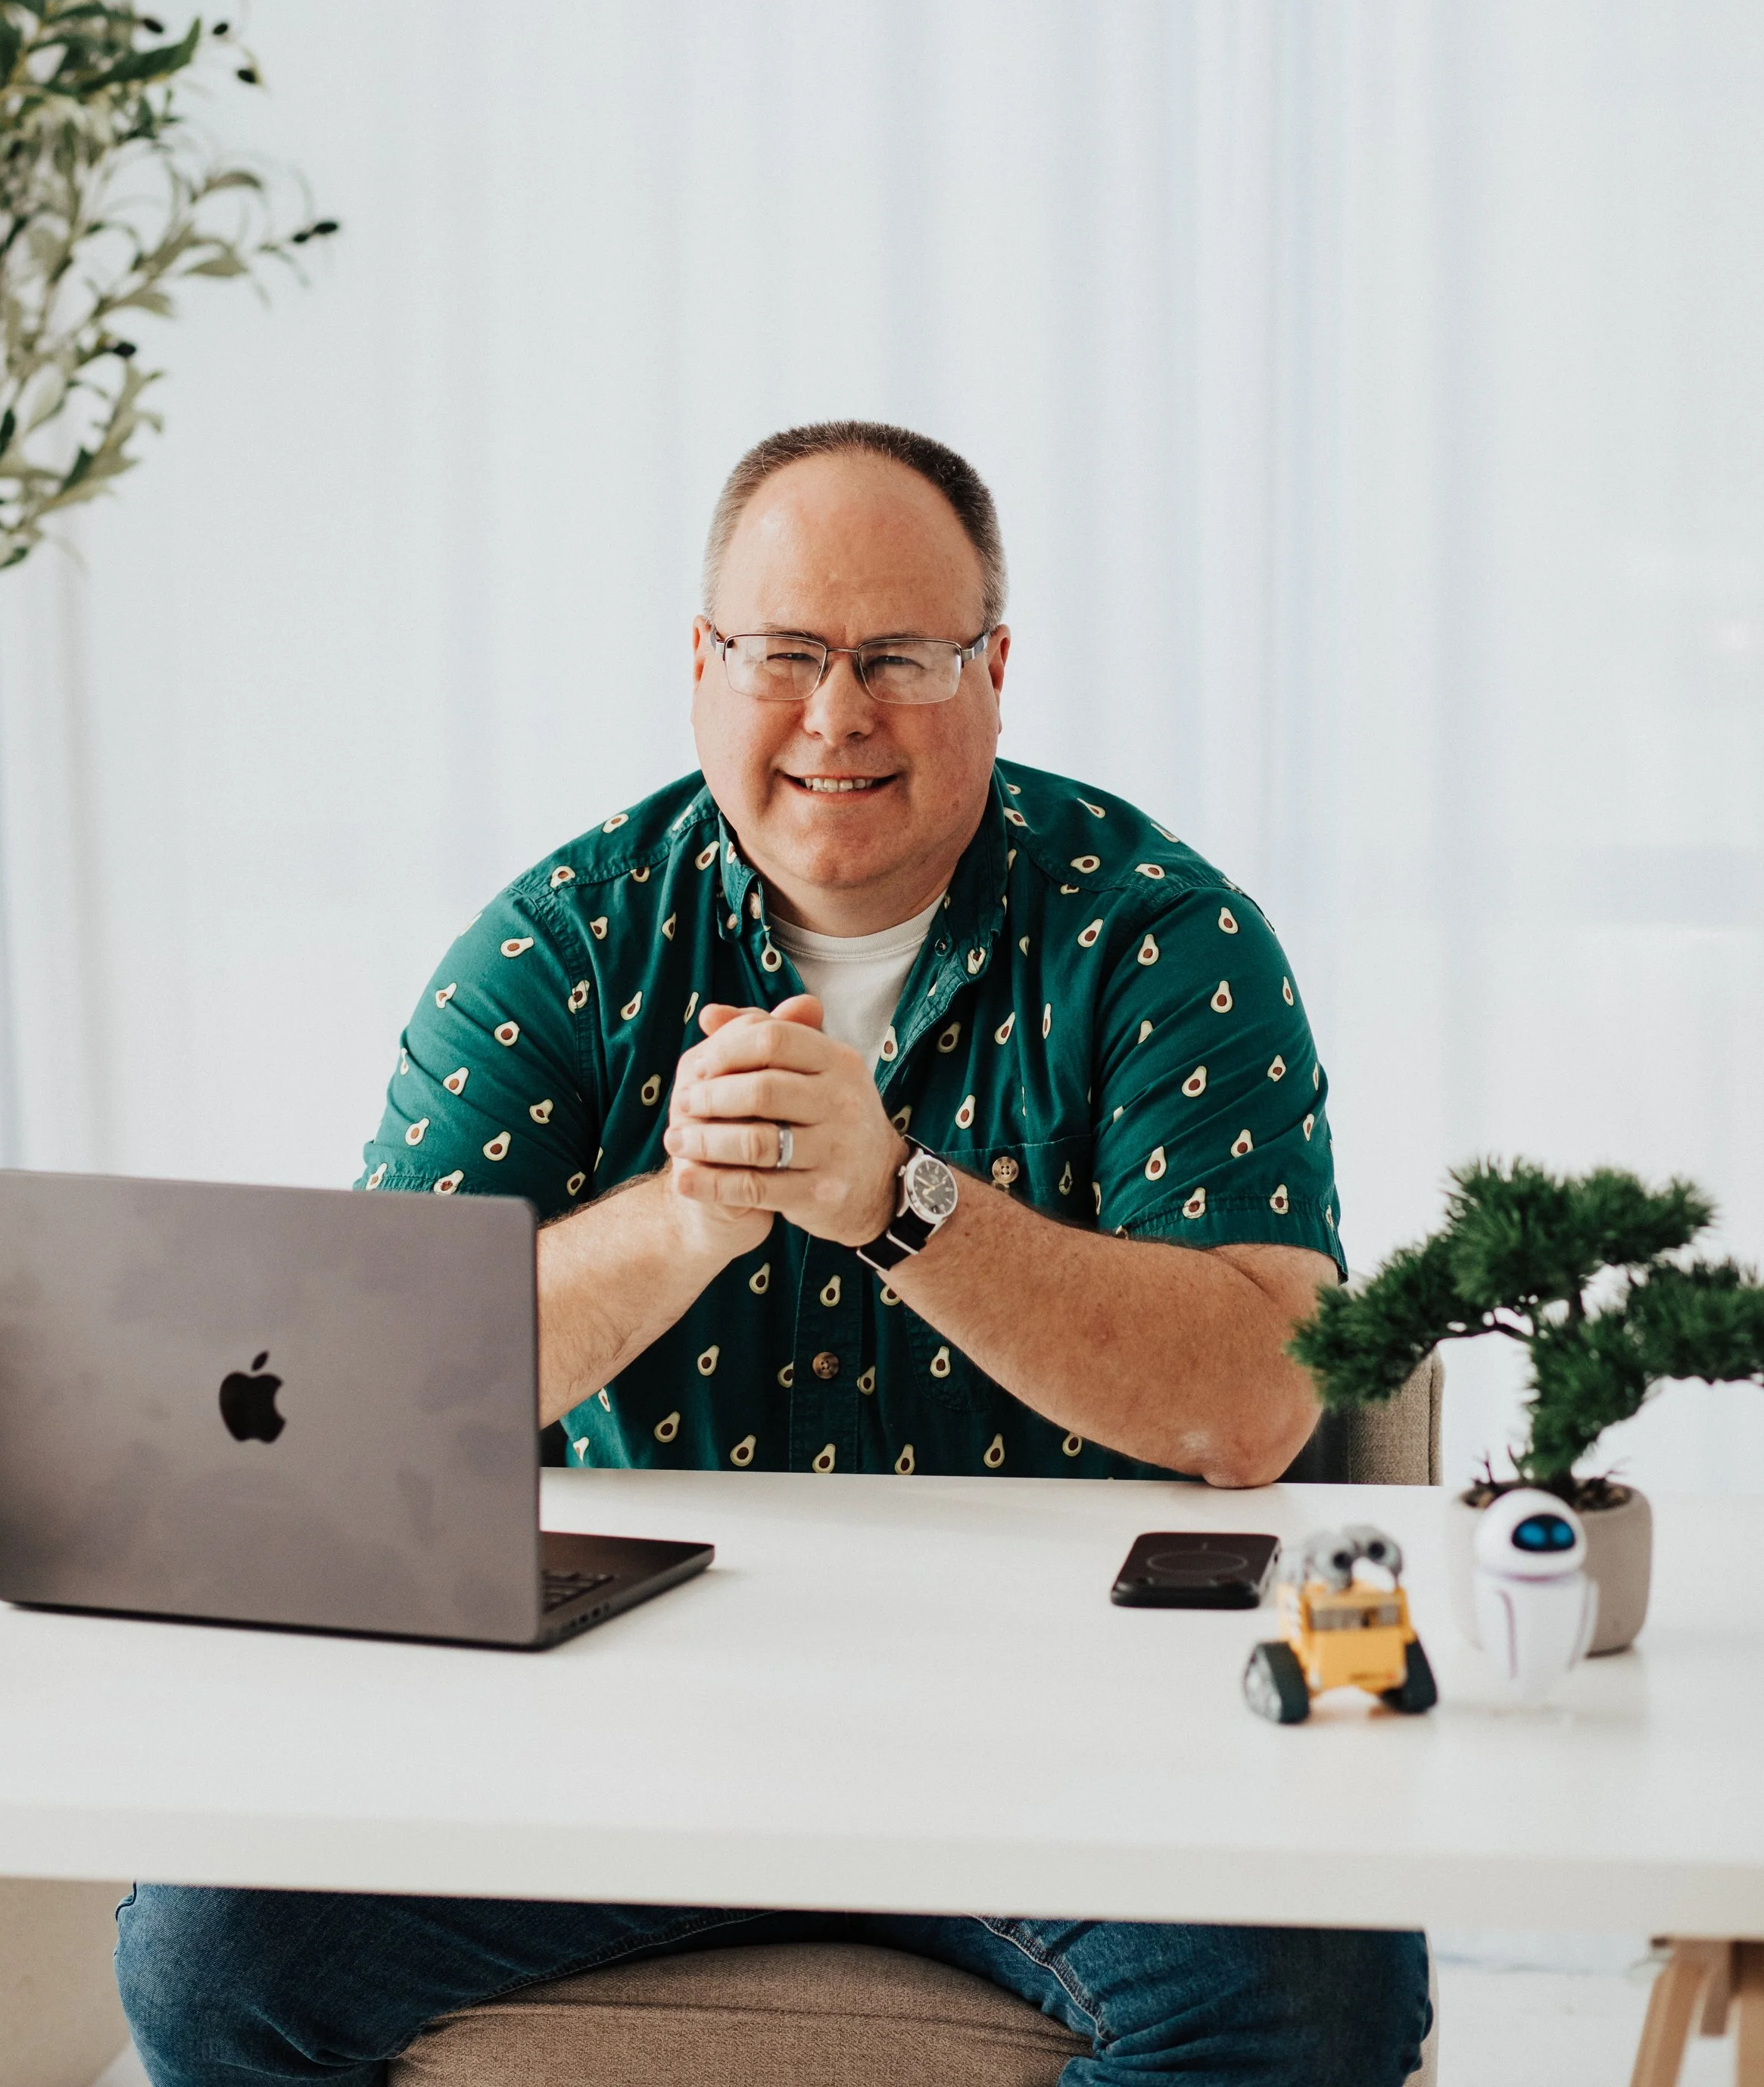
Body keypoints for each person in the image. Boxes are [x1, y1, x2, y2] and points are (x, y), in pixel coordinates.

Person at [116, 421, 1432, 2086]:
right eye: (784, 653)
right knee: (209, 1949)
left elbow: (1258, 1402)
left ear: (995, 670)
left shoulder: (1161, 935)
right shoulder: (566, 940)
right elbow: (361, 1394)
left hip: (1073, 1727)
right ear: (699, 664)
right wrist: (684, 1217)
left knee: (1315, 1994)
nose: (836, 715)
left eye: (901, 656)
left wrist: (899, 1200)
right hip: (613, 1721)